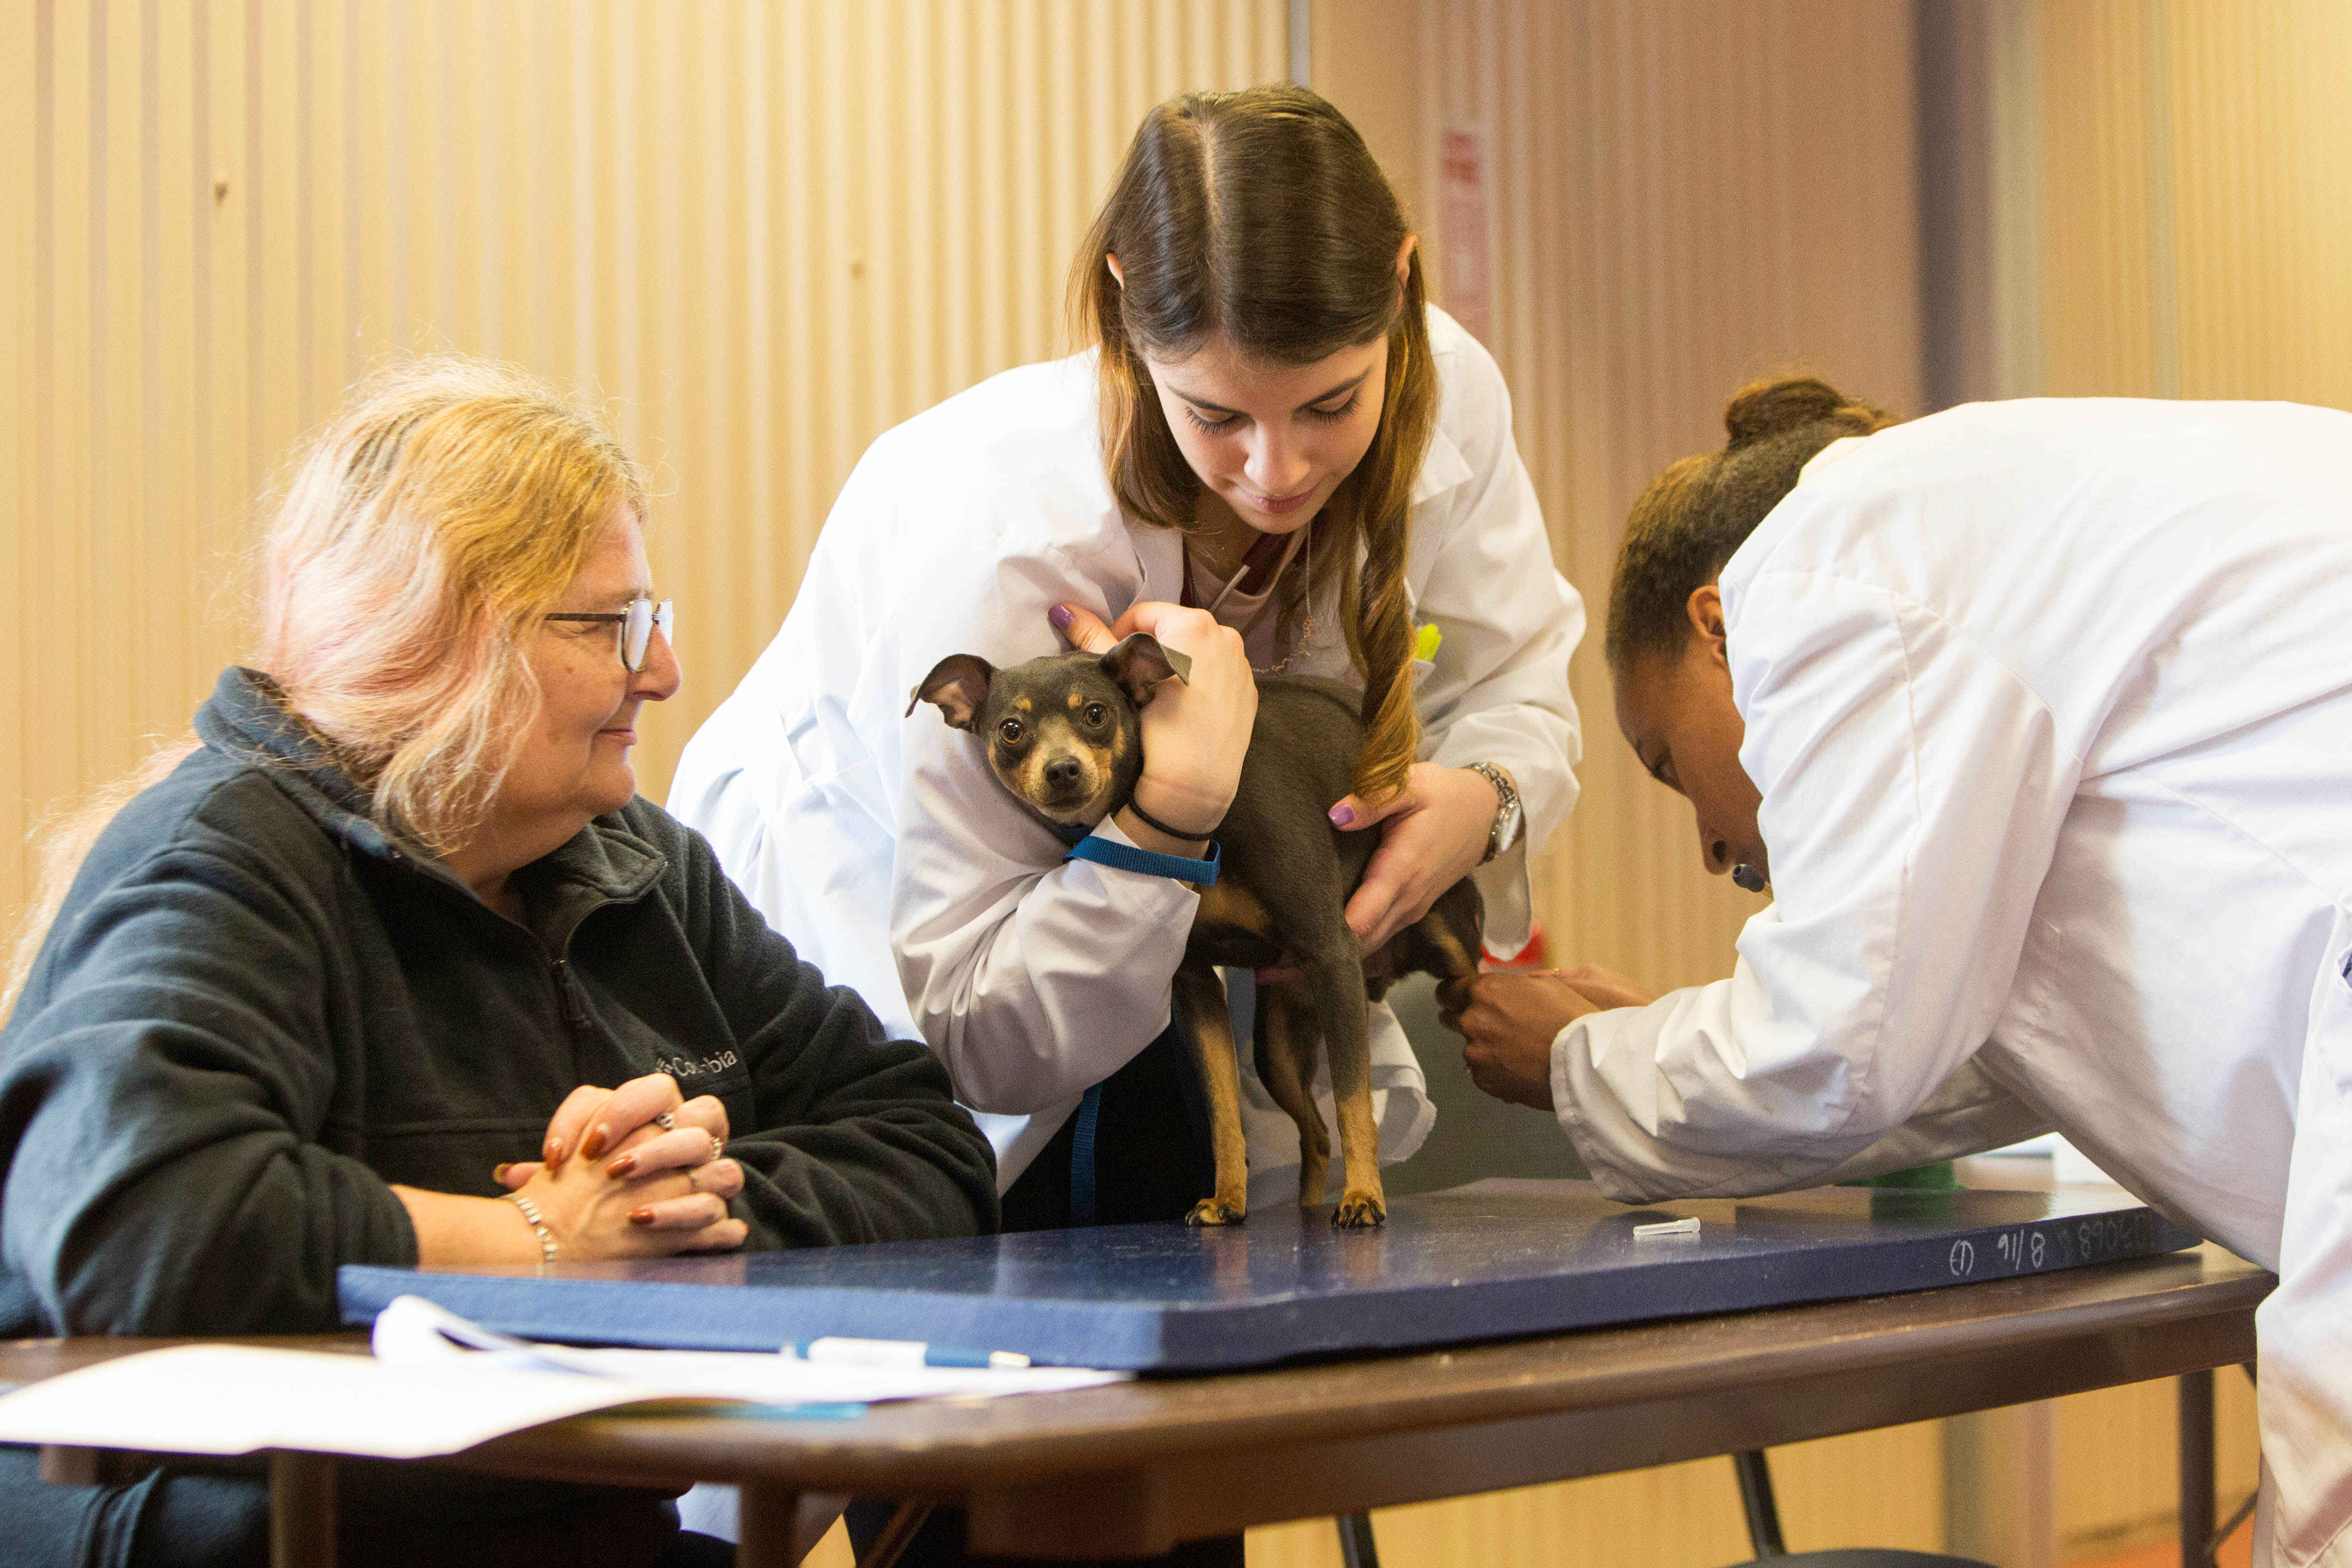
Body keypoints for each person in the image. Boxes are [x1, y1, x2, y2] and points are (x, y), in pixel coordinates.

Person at [0, 360, 998, 1568]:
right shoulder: (222, 854)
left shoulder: (638, 866)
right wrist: (534, 1240)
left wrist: (668, 1208)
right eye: (608, 624)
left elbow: (925, 1147)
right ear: (430, 636)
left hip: (553, 1527)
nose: (663, 671)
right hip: (237, 1537)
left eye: (654, 619)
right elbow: (144, 1226)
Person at [1446, 377, 2352, 1565]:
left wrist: (1578, 1062)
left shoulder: (1823, 566)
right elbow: (1953, 1036)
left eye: (1668, 763)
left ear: (1718, 625)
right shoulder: (1990, 531)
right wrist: (1663, 1033)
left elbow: (1841, 1042)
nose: (1715, 847)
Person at [671, 84, 1584, 1231]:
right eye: (1216, 417)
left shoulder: (1449, 390)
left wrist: (1486, 801)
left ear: (1399, 284)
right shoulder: (1009, 534)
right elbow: (978, 1027)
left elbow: (1520, 678)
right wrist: (1170, 820)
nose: (1277, 470)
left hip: (1163, 958)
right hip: (880, 962)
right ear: (1122, 306)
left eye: (1329, 406)